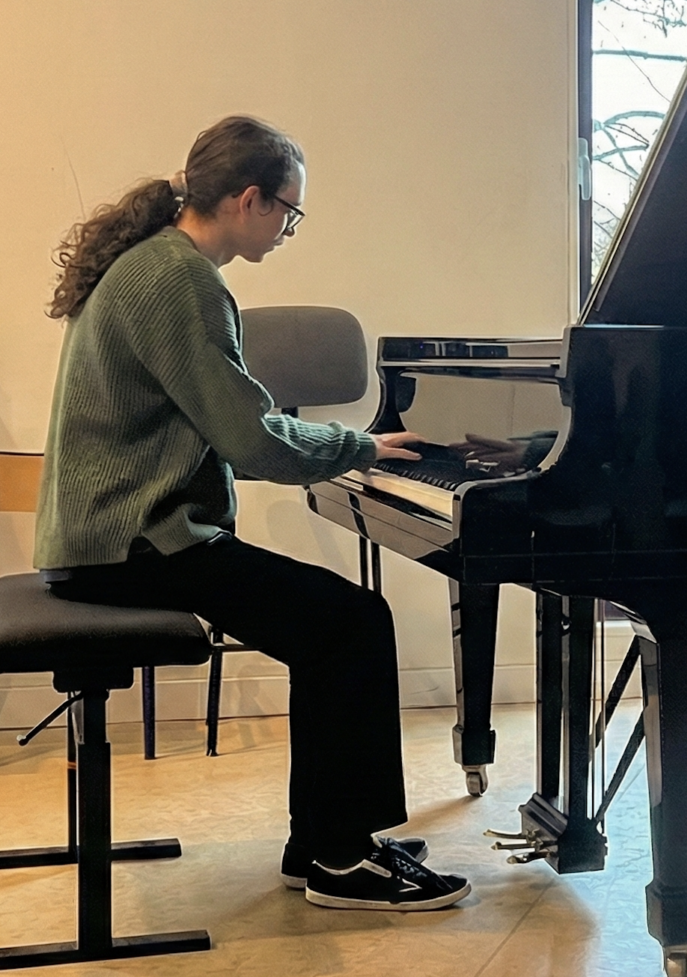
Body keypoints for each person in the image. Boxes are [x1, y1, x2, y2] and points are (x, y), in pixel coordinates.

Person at [34, 115, 471, 912]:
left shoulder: (153, 261)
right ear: (248, 200)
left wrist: (348, 447)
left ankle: (322, 843)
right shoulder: (182, 279)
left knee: (331, 625)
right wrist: (362, 447)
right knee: (351, 622)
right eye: (289, 212)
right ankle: (341, 858)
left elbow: (239, 426)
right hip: (134, 540)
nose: (290, 228)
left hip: (106, 533)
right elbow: (250, 438)